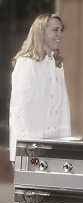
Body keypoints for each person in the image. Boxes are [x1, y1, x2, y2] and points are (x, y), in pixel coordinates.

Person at [9, 13, 71, 163]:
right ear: (41, 32)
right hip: (31, 151)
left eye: (61, 30)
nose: (60, 35)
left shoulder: (57, 65)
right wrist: (26, 151)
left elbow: (63, 109)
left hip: (55, 149)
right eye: (55, 30)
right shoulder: (26, 64)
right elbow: (20, 112)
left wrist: (67, 145)